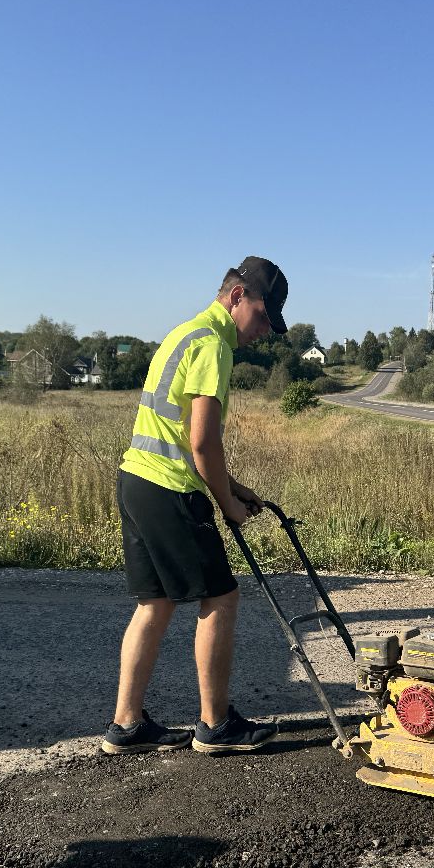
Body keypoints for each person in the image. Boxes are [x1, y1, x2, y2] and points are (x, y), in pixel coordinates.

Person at [101, 257, 288, 756]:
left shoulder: (183, 333)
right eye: (265, 317)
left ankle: (126, 725)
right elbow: (202, 442)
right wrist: (226, 505)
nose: (265, 331)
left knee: (156, 605)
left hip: (137, 481)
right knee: (222, 598)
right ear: (237, 297)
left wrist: (236, 486)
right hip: (169, 489)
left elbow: (180, 435)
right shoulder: (214, 346)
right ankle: (215, 724)